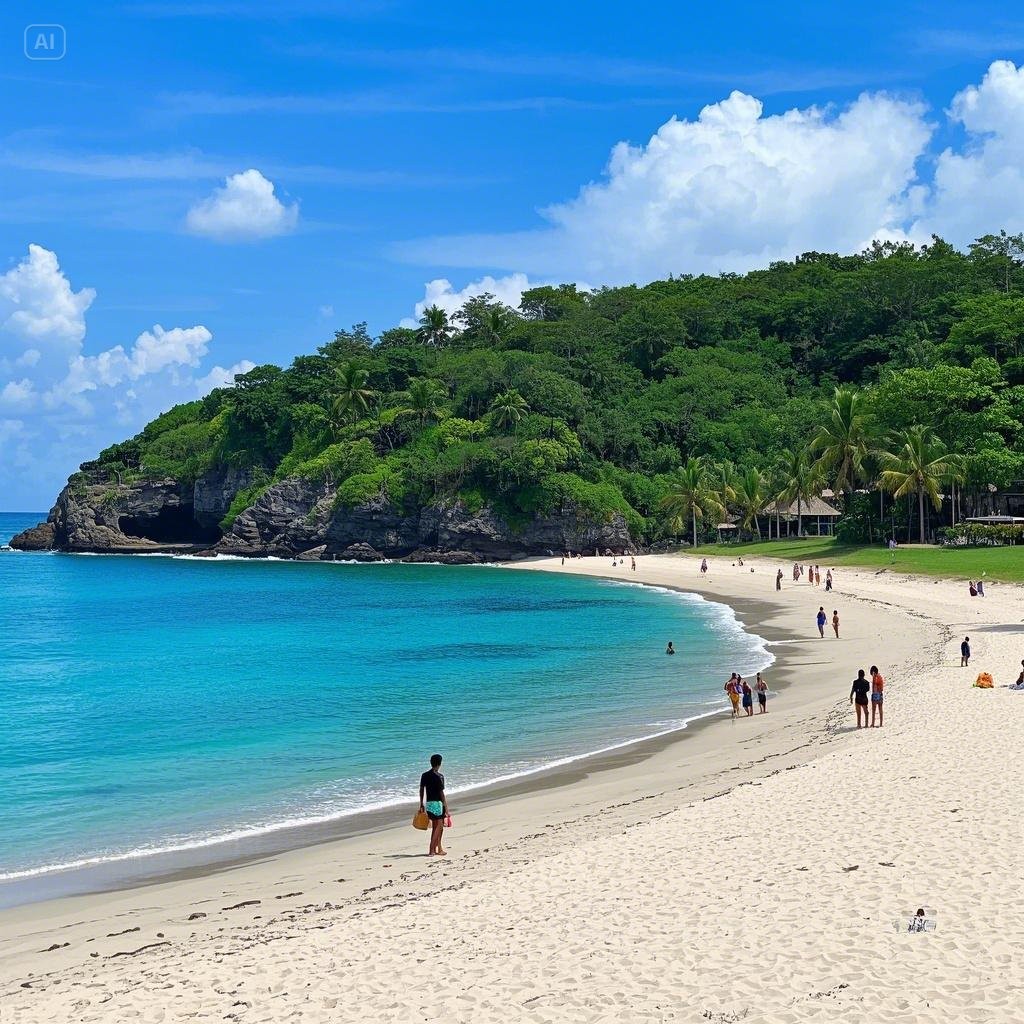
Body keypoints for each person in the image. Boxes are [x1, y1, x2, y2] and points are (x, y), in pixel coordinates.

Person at [419, 753, 449, 856]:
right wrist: (446, 807)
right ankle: (432, 849)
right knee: (439, 827)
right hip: (438, 803)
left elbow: (421, 790)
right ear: (440, 764)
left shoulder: (424, 775)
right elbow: (441, 793)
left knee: (436, 826)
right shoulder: (439, 776)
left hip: (429, 804)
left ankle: (438, 849)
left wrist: (421, 804)